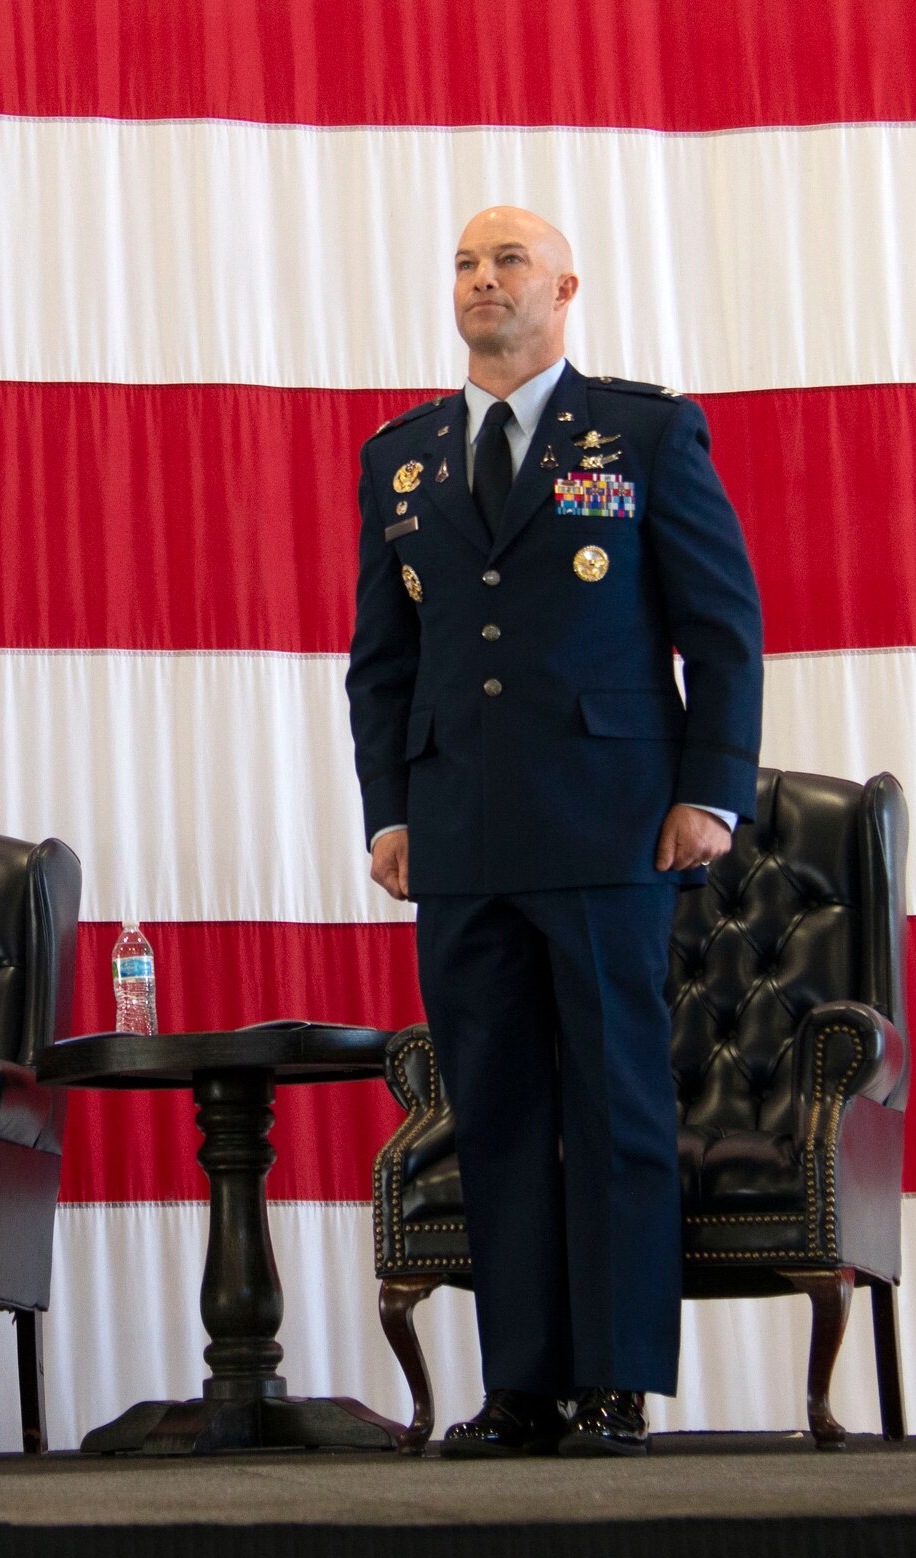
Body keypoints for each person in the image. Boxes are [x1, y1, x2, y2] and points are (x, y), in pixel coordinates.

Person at [346, 207, 762, 1457]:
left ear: (563, 287)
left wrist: (709, 791)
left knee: (616, 1104)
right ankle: (521, 1383)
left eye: (506, 261)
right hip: (460, 833)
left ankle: (615, 1377)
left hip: (607, 823)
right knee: (496, 1113)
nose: (481, 281)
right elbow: (382, 659)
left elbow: (720, 625)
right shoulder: (401, 456)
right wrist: (390, 809)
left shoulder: (639, 429)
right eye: (464, 264)